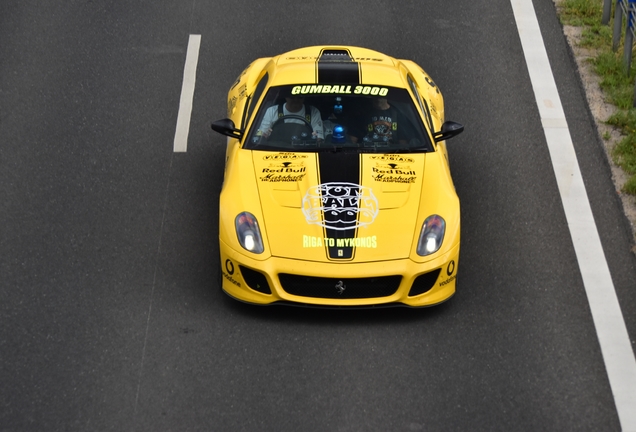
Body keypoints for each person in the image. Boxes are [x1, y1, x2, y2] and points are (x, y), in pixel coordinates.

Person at [349, 97, 414, 145]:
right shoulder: (364, 115)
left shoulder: (398, 115)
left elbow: (403, 142)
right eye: (375, 97)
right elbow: (353, 139)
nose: (378, 99)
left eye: (380, 97)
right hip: (368, 151)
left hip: (391, 152)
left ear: (387, 96)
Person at [258, 93, 324, 141]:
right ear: (286, 97)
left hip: (304, 150)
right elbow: (261, 134)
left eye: (300, 97)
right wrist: (266, 135)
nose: (296, 100)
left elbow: (319, 138)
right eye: (292, 97)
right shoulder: (271, 111)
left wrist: (315, 137)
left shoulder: (313, 112)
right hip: (277, 149)